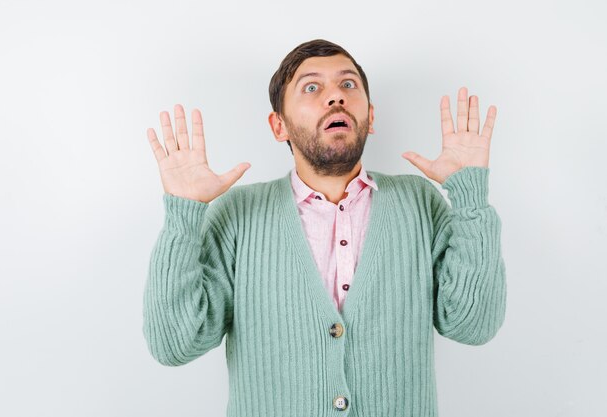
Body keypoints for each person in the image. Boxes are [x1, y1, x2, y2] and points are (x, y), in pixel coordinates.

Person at [143, 39, 506, 417]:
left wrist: (469, 198)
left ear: (371, 116)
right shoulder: (238, 214)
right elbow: (174, 344)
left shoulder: (418, 203)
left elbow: (473, 324)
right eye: (312, 87)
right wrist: (183, 214)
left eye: (348, 85)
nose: (336, 97)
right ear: (278, 125)